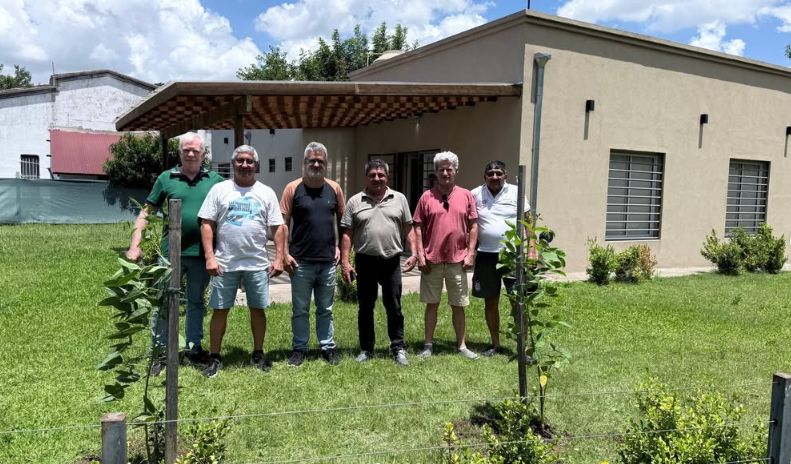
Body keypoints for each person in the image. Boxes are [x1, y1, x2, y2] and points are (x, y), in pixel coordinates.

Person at [125, 132, 224, 374]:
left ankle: (193, 348)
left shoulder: (215, 181)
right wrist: (135, 245)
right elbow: (146, 212)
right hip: (170, 253)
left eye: (195, 150)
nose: (190, 153)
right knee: (164, 302)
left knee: (196, 301)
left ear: (203, 154)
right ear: (179, 153)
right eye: (186, 150)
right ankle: (160, 351)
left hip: (201, 254)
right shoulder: (166, 178)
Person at [197, 145, 286, 378]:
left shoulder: (266, 192)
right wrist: (210, 257)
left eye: (249, 161)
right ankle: (215, 357)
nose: (245, 165)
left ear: (256, 165)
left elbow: (278, 227)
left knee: (258, 309)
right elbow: (206, 224)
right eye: (240, 161)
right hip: (224, 263)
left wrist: (279, 258)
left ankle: (258, 353)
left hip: (257, 263)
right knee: (220, 309)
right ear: (233, 164)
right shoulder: (220, 190)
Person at [340, 159, 417, 366]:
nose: (376, 178)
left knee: (394, 306)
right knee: (365, 307)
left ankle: (398, 347)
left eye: (380, 175)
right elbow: (347, 233)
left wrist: (414, 253)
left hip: (391, 261)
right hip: (365, 261)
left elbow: (408, 228)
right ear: (366, 177)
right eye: (372, 175)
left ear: (387, 177)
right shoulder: (355, 201)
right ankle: (366, 349)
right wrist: (345, 262)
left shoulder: (399, 199)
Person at [280, 142, 345, 366]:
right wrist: (284, 254)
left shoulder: (334, 189)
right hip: (300, 262)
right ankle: (300, 348)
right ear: (304, 163)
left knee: (325, 309)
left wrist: (339, 247)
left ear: (326, 164)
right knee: (300, 309)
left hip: (327, 261)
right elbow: (282, 224)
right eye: (312, 161)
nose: (316, 164)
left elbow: (343, 222)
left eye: (320, 161)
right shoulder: (292, 188)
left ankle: (327, 347)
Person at [413, 151, 479, 359]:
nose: (445, 173)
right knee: (432, 304)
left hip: (457, 259)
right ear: (436, 172)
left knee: (458, 305)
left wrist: (470, 253)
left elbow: (473, 225)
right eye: (441, 169)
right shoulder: (426, 197)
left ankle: (461, 346)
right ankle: (428, 345)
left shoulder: (466, 195)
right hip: (431, 259)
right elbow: (417, 227)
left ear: (456, 171)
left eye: (449, 169)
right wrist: (420, 255)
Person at [471, 161, 531, 356]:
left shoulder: (516, 192)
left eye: (498, 173)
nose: (494, 177)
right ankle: (495, 344)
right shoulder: (475, 194)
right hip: (486, 254)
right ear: (485, 177)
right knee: (490, 300)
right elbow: (469, 223)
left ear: (506, 175)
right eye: (490, 174)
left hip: (512, 254)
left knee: (518, 301)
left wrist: (532, 248)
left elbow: (528, 221)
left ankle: (523, 348)